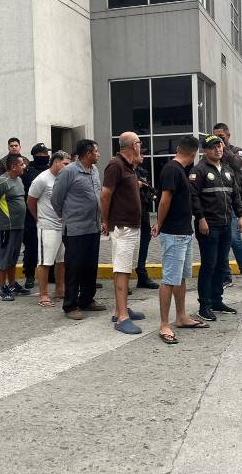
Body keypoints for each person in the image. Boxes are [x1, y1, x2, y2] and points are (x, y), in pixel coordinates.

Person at [152, 135, 208, 344]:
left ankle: (182, 317)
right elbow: (164, 200)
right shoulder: (172, 169)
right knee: (169, 278)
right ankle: (164, 324)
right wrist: (159, 224)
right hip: (173, 233)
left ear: (179, 148)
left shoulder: (179, 170)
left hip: (184, 232)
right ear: (194, 153)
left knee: (181, 277)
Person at [189, 134, 242, 321]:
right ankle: (204, 306)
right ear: (205, 150)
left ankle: (217, 301)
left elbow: (235, 195)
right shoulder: (199, 170)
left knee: (222, 264)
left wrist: (240, 216)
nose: (218, 149)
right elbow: (193, 197)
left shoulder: (227, 170)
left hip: (226, 225)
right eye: (213, 147)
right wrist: (200, 218)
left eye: (219, 146)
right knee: (209, 265)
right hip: (208, 226)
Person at [51, 139, 105, 319]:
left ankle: (87, 300)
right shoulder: (69, 171)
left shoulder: (94, 170)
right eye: (96, 151)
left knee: (90, 266)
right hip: (75, 229)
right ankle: (70, 305)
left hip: (93, 227)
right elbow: (56, 199)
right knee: (74, 268)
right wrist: (67, 216)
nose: (98, 154)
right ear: (88, 153)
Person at [101, 132, 146, 334]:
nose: (141, 147)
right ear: (133, 145)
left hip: (130, 225)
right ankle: (122, 318)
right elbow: (105, 194)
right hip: (122, 226)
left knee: (124, 267)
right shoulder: (116, 165)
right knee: (122, 269)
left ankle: (120, 309)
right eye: (139, 143)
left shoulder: (128, 166)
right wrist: (105, 220)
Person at [212, 123, 242, 290]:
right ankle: (226, 276)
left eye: (221, 136)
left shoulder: (236, 150)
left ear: (228, 135)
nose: (218, 140)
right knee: (220, 241)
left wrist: (224, 149)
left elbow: (238, 164)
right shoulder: (213, 153)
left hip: (232, 201)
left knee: (235, 240)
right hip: (216, 204)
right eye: (215, 137)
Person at [27, 151, 70, 307]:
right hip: (47, 226)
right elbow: (31, 201)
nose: (68, 167)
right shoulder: (42, 179)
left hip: (63, 226)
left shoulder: (65, 178)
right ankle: (43, 295)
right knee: (45, 262)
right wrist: (39, 218)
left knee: (61, 260)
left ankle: (60, 289)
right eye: (65, 164)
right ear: (56, 162)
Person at [0, 154, 30, 301]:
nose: (24, 167)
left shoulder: (18, 179)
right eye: (21, 164)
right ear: (13, 167)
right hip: (6, 227)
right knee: (4, 258)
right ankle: (2, 289)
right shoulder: (2, 182)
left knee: (13, 257)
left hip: (18, 226)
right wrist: (1, 219)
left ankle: (12, 285)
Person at [22, 143, 51, 288]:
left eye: (47, 154)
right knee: (31, 246)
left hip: (49, 214)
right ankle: (29, 274)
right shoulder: (27, 172)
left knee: (49, 245)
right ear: (36, 155)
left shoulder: (51, 170)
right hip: (31, 215)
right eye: (43, 154)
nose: (46, 156)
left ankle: (51, 274)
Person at [135, 164, 160, 289]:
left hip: (143, 211)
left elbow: (147, 191)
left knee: (145, 240)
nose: (142, 156)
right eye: (139, 154)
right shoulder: (123, 169)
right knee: (128, 246)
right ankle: (122, 281)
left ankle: (141, 274)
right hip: (129, 213)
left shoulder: (141, 171)